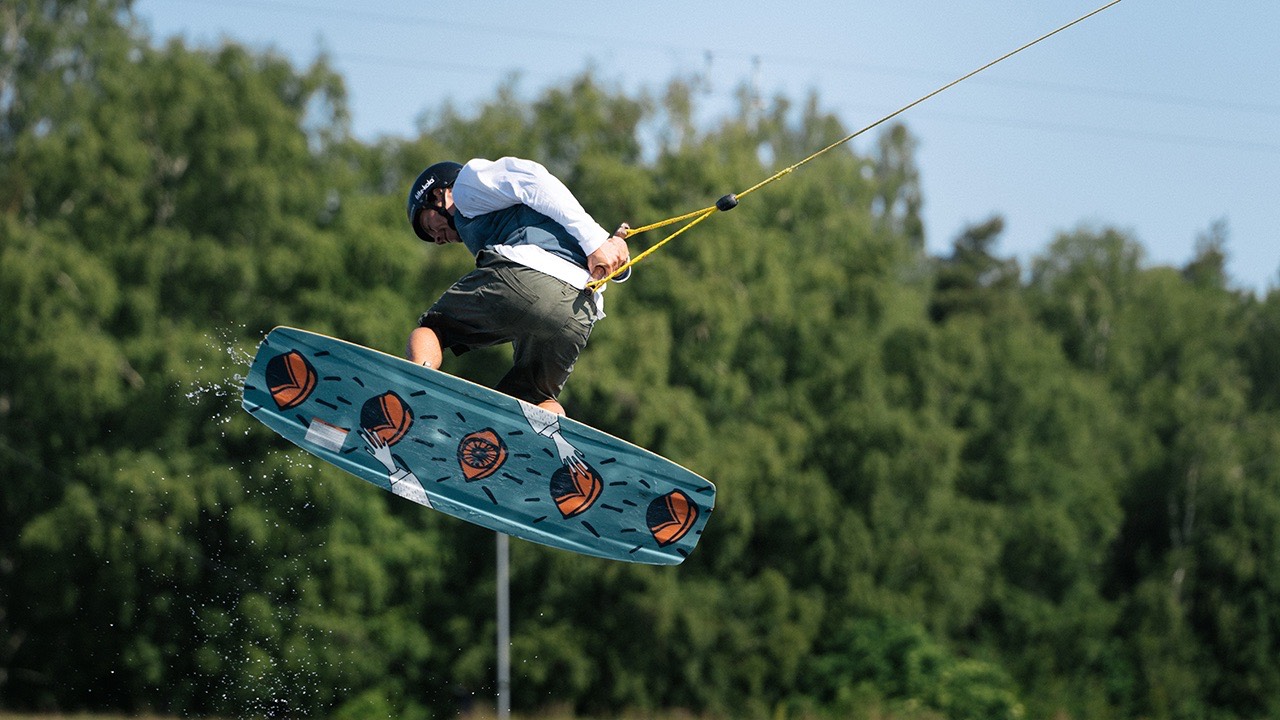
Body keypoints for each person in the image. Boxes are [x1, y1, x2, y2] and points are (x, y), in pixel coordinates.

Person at [404, 157, 630, 417]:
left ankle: (414, 392)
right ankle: (546, 444)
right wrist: (608, 246)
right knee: (536, 397)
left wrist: (595, 241)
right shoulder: (481, 222)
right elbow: (616, 269)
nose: (437, 239)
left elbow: (532, 178)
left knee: (434, 328)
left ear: (438, 193)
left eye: (427, 225)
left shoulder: (466, 185)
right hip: (578, 312)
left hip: (525, 274)